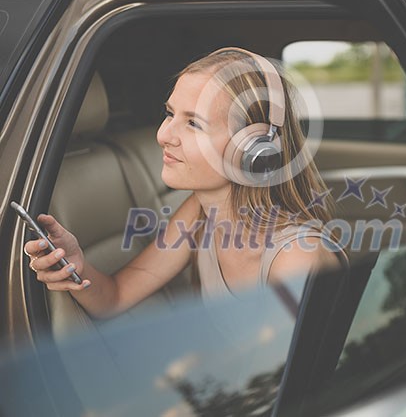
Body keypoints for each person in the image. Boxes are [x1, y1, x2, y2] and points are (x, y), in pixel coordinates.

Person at [23, 47, 348, 319]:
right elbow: (116, 296)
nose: (164, 136)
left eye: (193, 123)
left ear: (254, 149)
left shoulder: (295, 259)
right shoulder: (199, 212)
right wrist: (76, 266)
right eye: (169, 113)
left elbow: (295, 384)